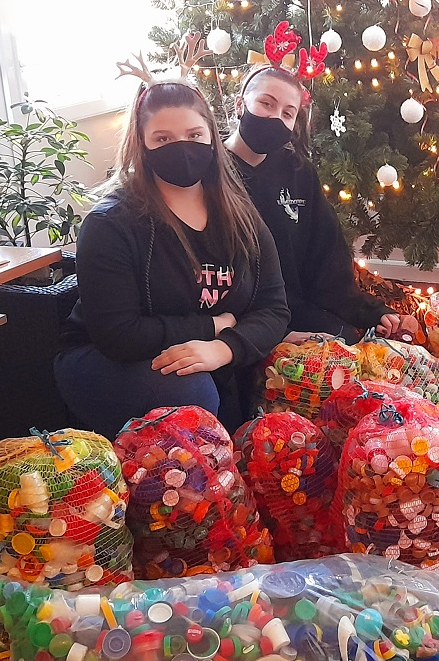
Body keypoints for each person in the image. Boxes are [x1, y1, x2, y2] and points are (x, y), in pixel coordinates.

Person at [56, 73, 289, 436]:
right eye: (163, 139)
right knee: (191, 395)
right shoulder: (110, 224)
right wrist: (213, 326)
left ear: (211, 137)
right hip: (111, 358)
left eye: (194, 135)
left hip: (207, 354)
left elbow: (273, 306)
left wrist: (224, 348)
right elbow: (119, 335)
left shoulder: (239, 212)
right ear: (142, 143)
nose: (181, 148)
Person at [225, 64, 403, 343]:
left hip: (293, 309)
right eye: (266, 104)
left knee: (345, 342)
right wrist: (278, 335)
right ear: (240, 105)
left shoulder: (298, 172)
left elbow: (326, 257)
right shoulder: (212, 171)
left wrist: (369, 312)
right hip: (236, 319)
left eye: (287, 113)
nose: (275, 118)